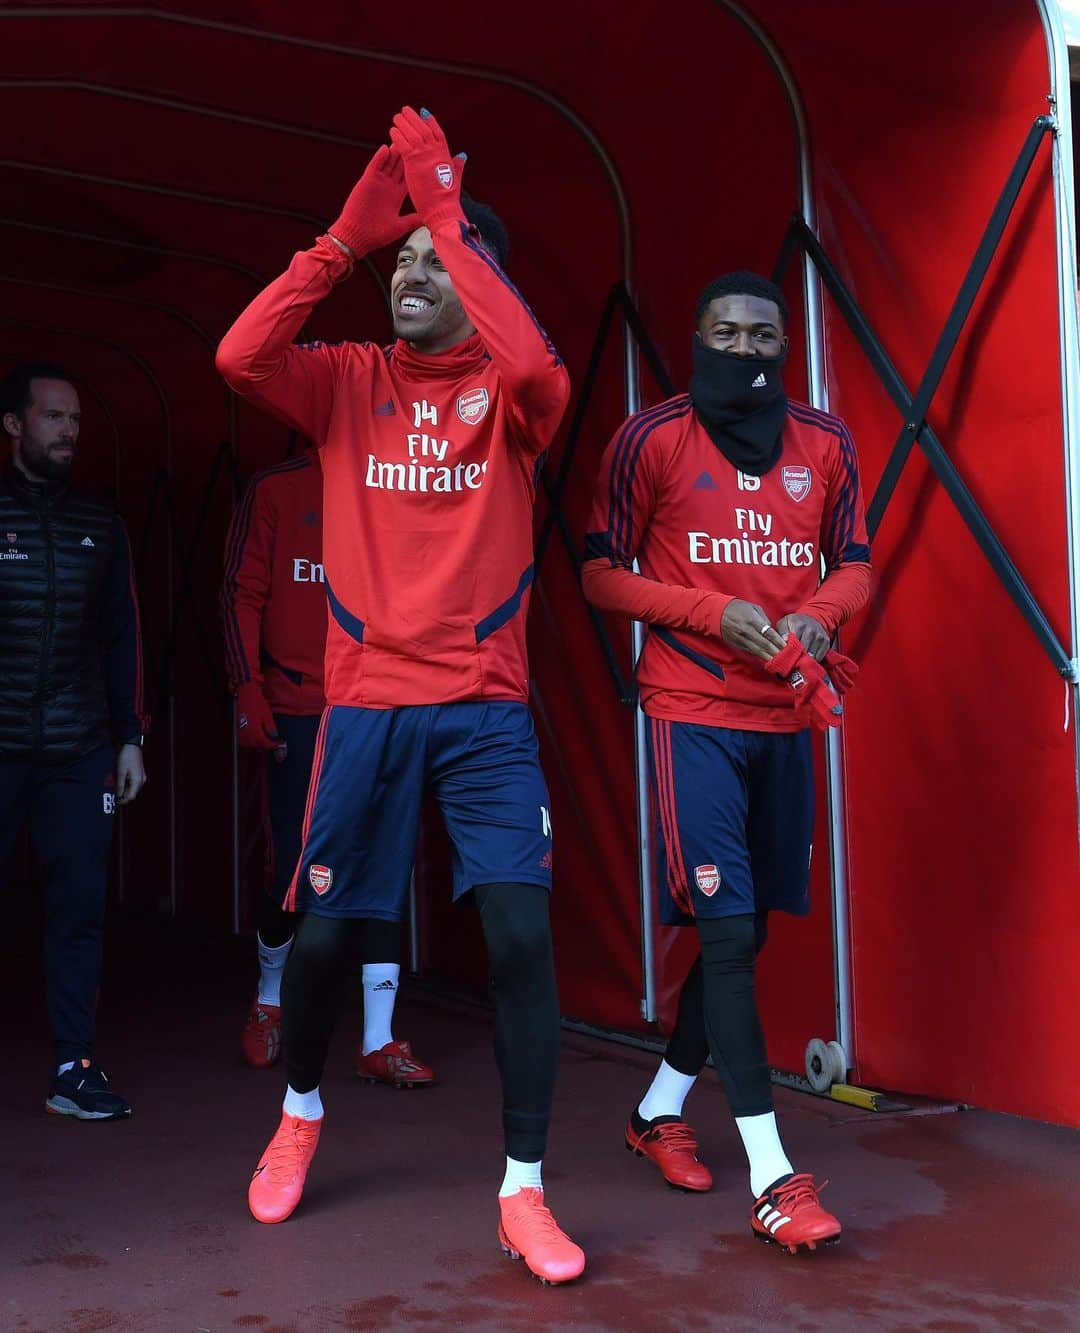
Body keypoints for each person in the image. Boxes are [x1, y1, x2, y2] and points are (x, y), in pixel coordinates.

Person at [216, 107, 584, 1284]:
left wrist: (444, 213)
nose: (413, 274)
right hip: (366, 705)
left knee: (523, 938)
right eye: (409, 262)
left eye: (440, 259)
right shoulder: (347, 379)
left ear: (483, 282)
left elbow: (531, 360)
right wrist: (344, 239)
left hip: (484, 704)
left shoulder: (517, 401)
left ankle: (523, 1191)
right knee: (324, 943)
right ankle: (304, 1111)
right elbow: (237, 358)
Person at [582, 272, 871, 1253]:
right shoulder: (650, 436)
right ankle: (775, 1177)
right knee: (731, 934)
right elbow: (597, 570)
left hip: (784, 718)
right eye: (725, 332)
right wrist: (712, 613)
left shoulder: (825, 443)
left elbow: (857, 565)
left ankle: (657, 1108)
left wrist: (817, 619)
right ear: (696, 336)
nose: (744, 349)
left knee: (741, 934)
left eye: (764, 335)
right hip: (691, 709)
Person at [221, 447, 435, 1087]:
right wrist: (246, 686)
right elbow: (242, 592)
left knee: (382, 859)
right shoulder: (277, 487)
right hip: (299, 704)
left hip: (380, 704)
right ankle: (269, 1001)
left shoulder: (398, 482)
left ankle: (378, 1037)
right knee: (292, 860)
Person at [0, 361, 148, 1120]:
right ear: (15, 426)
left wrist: (131, 739)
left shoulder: (101, 524)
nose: (69, 433)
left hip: (80, 748)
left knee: (79, 909)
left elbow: (121, 638)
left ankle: (72, 1068)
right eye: (54, 418)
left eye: (77, 421)